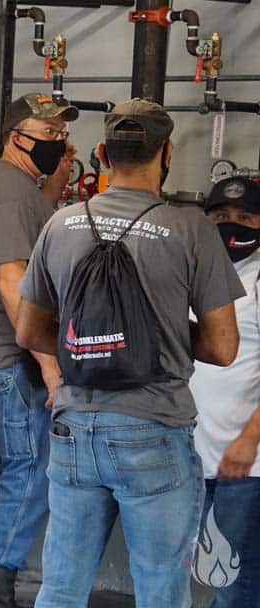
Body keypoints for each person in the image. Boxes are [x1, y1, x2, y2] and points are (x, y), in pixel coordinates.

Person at [15, 99, 243, 607]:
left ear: (102, 153)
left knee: (61, 587)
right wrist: (148, 340)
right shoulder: (191, 230)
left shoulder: (61, 223)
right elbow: (223, 347)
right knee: (160, 589)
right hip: (152, 427)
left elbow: (29, 332)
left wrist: (95, 344)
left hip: (73, 428)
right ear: (167, 153)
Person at [0, 93, 78, 606]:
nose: (59, 141)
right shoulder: (10, 192)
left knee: (14, 471)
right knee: (30, 473)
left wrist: (54, 184)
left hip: (2, 354)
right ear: (17, 137)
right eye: (48, 133)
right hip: (13, 359)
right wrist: (49, 364)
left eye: (61, 134)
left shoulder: (9, 185)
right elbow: (11, 280)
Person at [189, 176, 260, 606]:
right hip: (190, 460)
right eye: (221, 216)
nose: (232, 224)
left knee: (237, 583)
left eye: (246, 217)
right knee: (199, 573)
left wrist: (249, 441)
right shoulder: (192, 271)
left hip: (244, 466)